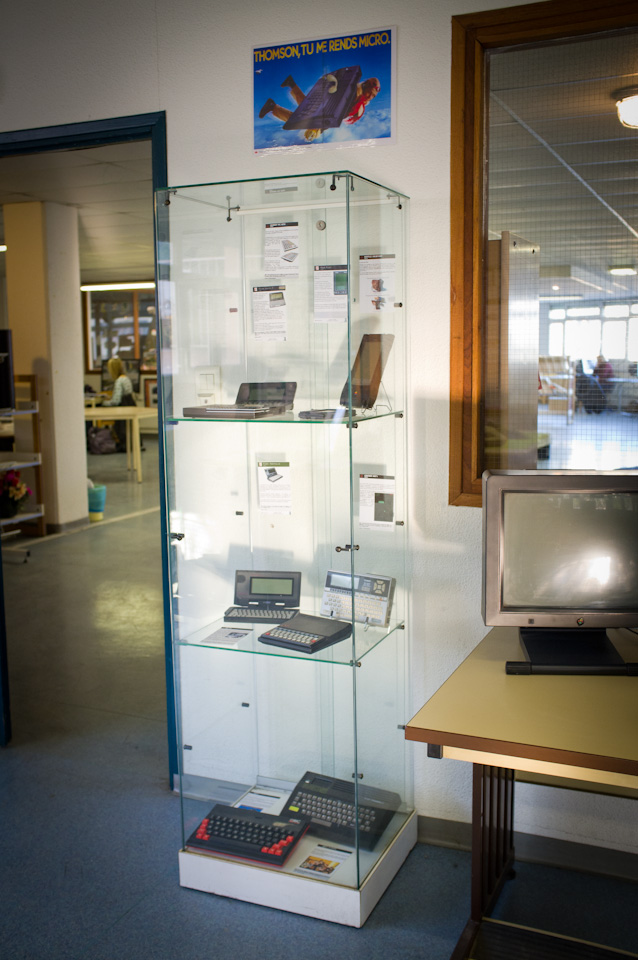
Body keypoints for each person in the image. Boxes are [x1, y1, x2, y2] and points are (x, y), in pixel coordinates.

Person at [259, 73, 380, 142]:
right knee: (299, 121)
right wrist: (318, 129)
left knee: (305, 108)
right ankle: (273, 106)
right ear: (366, 85)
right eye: (370, 93)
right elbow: (336, 114)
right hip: (324, 109)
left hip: (324, 108)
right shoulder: (354, 96)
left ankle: (290, 85)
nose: (370, 97)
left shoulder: (359, 101)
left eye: (373, 96)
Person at [101, 357, 136, 451]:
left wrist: (103, 402)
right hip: (130, 407)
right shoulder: (126, 378)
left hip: (122, 409)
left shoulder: (119, 381)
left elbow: (116, 401)